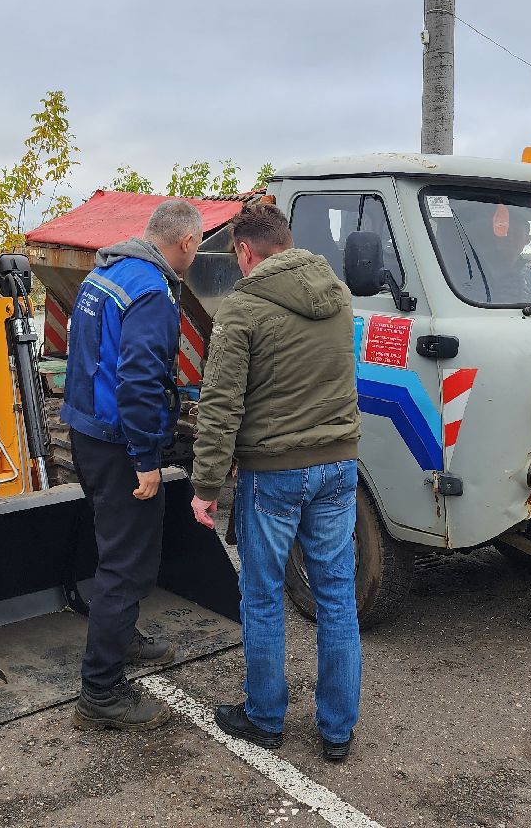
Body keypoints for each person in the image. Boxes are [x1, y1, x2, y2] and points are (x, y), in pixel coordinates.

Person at [189, 203, 362, 762]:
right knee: (336, 597)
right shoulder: (337, 296)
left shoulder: (242, 308)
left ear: (244, 251)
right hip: (338, 467)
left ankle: (265, 718)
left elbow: (220, 405)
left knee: (262, 597)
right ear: (286, 243)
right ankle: (337, 730)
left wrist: (205, 485)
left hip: (274, 475)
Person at [62, 198, 203, 732]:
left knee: (120, 545)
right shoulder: (151, 292)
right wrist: (145, 459)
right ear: (186, 243)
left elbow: (88, 360)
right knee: (125, 566)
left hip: (86, 432)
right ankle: (101, 691)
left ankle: (121, 640)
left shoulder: (107, 274)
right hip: (120, 444)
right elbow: (140, 381)